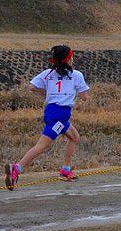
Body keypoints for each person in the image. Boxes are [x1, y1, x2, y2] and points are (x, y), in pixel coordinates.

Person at [5, 45, 90, 190]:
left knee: (74, 137)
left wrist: (48, 93)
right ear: (69, 59)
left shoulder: (47, 73)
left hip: (52, 112)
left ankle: (66, 169)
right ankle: (17, 168)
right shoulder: (76, 75)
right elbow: (84, 97)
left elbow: (31, 87)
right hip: (60, 115)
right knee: (42, 145)